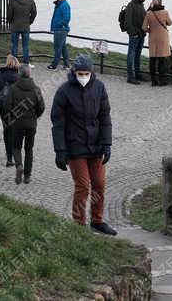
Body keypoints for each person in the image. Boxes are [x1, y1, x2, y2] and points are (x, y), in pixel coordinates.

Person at [52, 54, 117, 236]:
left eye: (86, 73)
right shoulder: (64, 91)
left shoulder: (99, 88)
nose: (83, 76)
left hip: (95, 145)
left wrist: (107, 144)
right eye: (80, 73)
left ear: (91, 72)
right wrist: (60, 150)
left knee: (99, 183)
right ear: (74, 72)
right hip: (75, 146)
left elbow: (105, 117)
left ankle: (97, 220)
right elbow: (58, 123)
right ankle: (78, 224)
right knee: (82, 185)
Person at [0, 64, 45, 185]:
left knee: (16, 147)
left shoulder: (13, 88)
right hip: (31, 124)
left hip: (17, 123)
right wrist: (36, 116)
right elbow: (41, 107)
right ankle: (27, 176)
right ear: (30, 74)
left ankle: (19, 165)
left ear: (19, 74)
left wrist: (14, 115)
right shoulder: (36, 89)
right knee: (29, 148)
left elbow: (6, 105)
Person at [0, 54, 21, 167]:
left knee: (7, 130)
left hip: (3, 106)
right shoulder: (19, 77)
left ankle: (9, 157)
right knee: (15, 130)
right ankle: (14, 152)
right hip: (16, 107)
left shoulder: (0, 76)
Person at [142, 0, 172, 86]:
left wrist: (150, 31)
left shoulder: (149, 13)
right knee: (161, 61)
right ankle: (162, 81)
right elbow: (170, 23)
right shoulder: (165, 12)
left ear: (152, 3)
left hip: (153, 39)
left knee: (152, 61)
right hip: (163, 39)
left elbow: (144, 27)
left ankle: (153, 81)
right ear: (161, 3)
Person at [7, 0, 37, 66]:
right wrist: (29, 22)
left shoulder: (13, 0)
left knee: (15, 45)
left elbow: (9, 14)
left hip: (15, 26)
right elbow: (34, 13)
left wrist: (11, 22)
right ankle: (26, 62)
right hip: (25, 26)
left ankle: (14, 64)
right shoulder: (30, 0)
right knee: (25, 46)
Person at [124, 0, 147, 84]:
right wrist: (133, 34)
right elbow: (127, 22)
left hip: (141, 34)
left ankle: (137, 74)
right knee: (131, 55)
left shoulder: (141, 5)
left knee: (137, 55)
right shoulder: (131, 5)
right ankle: (131, 77)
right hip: (135, 35)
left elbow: (144, 16)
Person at [48, 0, 71, 70]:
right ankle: (67, 64)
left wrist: (59, 25)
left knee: (57, 47)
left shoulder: (64, 5)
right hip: (61, 29)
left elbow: (67, 18)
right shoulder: (59, 4)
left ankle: (54, 65)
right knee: (63, 47)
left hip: (60, 29)